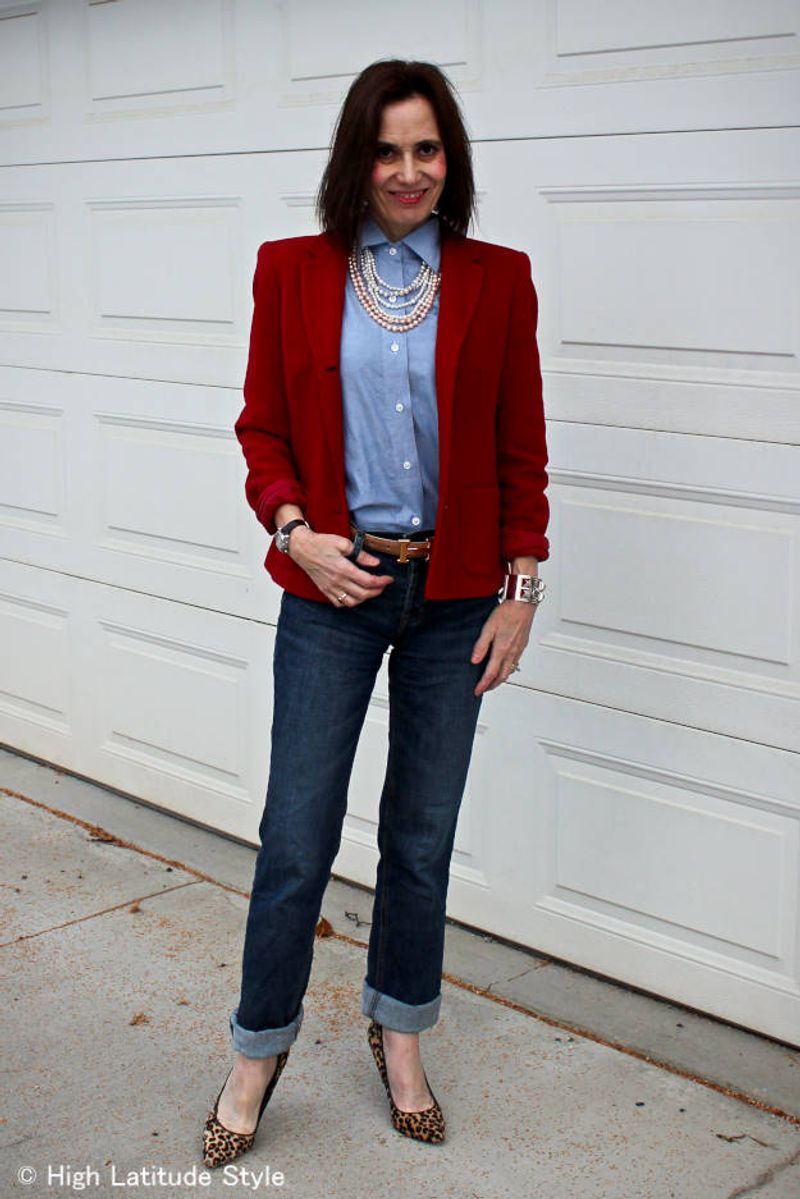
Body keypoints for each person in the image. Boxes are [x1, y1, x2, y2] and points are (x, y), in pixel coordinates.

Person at [202, 58, 549, 1167]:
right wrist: (291, 527)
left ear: (451, 159)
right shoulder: (293, 271)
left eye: (427, 148)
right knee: (295, 836)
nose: (407, 170)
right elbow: (261, 428)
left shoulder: (497, 279)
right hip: (331, 590)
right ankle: (258, 1048)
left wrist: (520, 589)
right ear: (356, 158)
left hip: (452, 600)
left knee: (419, 836)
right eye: (387, 149)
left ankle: (399, 1033)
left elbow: (518, 450)